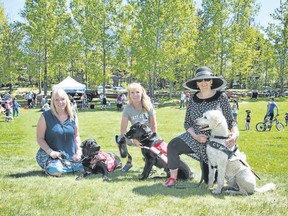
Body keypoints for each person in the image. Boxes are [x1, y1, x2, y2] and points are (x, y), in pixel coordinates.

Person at [162, 66, 239, 187]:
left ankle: (213, 168)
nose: (203, 83)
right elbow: (187, 123)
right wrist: (196, 136)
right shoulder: (192, 98)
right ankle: (172, 179)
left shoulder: (221, 97)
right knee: (173, 145)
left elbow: (231, 121)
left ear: (211, 81)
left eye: (207, 80)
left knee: (210, 182)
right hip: (195, 138)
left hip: (214, 142)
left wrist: (235, 134)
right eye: (200, 80)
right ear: (196, 84)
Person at [36, 89, 83, 176]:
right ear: (53, 101)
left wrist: (78, 152)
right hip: (51, 155)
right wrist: (50, 152)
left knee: (86, 165)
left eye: (62, 99)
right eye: (56, 99)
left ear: (67, 100)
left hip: (70, 155)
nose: (60, 102)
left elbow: (76, 136)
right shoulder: (45, 116)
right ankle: (66, 168)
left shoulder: (73, 116)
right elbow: (40, 138)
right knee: (55, 170)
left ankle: (70, 167)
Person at [119, 82, 157, 172]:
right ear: (129, 95)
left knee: (153, 146)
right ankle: (129, 161)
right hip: (135, 136)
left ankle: (151, 161)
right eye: (132, 92)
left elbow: (153, 124)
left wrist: (152, 139)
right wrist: (133, 140)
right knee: (119, 139)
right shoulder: (127, 108)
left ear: (141, 93)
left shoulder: (148, 106)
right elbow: (123, 129)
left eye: (137, 92)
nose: (135, 95)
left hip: (148, 137)